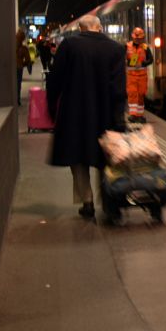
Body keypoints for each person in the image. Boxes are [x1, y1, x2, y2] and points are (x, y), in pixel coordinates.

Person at [47, 15, 126, 219]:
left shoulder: (69, 46)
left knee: (78, 158)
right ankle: (109, 202)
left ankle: (87, 201)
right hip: (105, 113)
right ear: (99, 28)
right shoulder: (116, 49)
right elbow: (119, 89)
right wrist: (120, 118)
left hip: (74, 114)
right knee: (106, 158)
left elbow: (55, 79)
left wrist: (51, 107)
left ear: (81, 29)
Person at [126, 27, 154, 123]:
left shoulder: (145, 47)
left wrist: (142, 64)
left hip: (142, 76)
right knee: (133, 94)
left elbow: (151, 59)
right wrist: (130, 62)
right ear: (133, 37)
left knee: (141, 95)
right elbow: (123, 59)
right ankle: (133, 115)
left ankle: (140, 115)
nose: (138, 39)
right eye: (136, 38)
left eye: (140, 38)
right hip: (131, 76)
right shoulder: (127, 46)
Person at [15, 28, 33, 105]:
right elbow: (28, 60)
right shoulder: (24, 48)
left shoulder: (10, 46)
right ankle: (17, 99)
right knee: (18, 84)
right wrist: (23, 64)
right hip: (19, 68)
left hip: (12, 68)